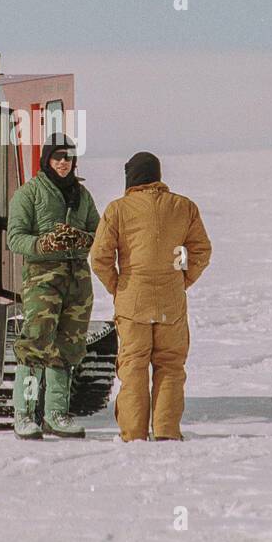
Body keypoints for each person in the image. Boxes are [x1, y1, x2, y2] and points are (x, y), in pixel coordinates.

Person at [90, 152, 211, 441]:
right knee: (170, 365)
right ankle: (167, 431)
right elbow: (201, 251)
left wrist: (118, 286)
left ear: (131, 178)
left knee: (133, 366)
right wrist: (183, 279)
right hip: (171, 299)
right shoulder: (183, 206)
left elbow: (99, 257)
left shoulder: (118, 209)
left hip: (133, 300)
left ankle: (133, 433)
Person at [5, 134, 99, 439]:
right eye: (58, 157)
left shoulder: (82, 196)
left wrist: (84, 239)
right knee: (35, 344)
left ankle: (56, 413)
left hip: (77, 279)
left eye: (68, 158)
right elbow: (14, 238)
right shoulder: (29, 193)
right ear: (47, 159)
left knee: (68, 346)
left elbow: (100, 232)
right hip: (43, 278)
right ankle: (25, 413)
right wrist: (43, 243)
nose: (63, 163)